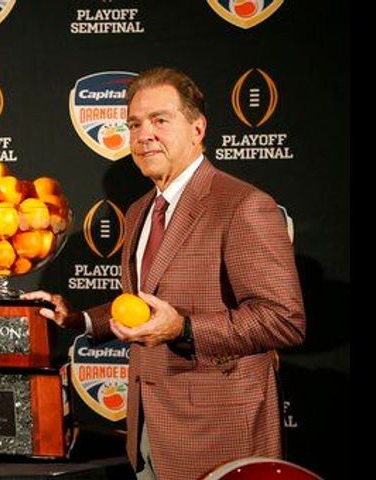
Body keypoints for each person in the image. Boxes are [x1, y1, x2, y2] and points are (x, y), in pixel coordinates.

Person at [23, 67, 305, 480]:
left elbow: (284, 320)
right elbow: (144, 305)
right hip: (146, 430)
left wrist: (185, 329)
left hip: (217, 433)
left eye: (160, 120)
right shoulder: (141, 209)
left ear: (197, 129)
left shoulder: (243, 205)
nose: (144, 135)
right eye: (135, 124)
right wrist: (79, 320)